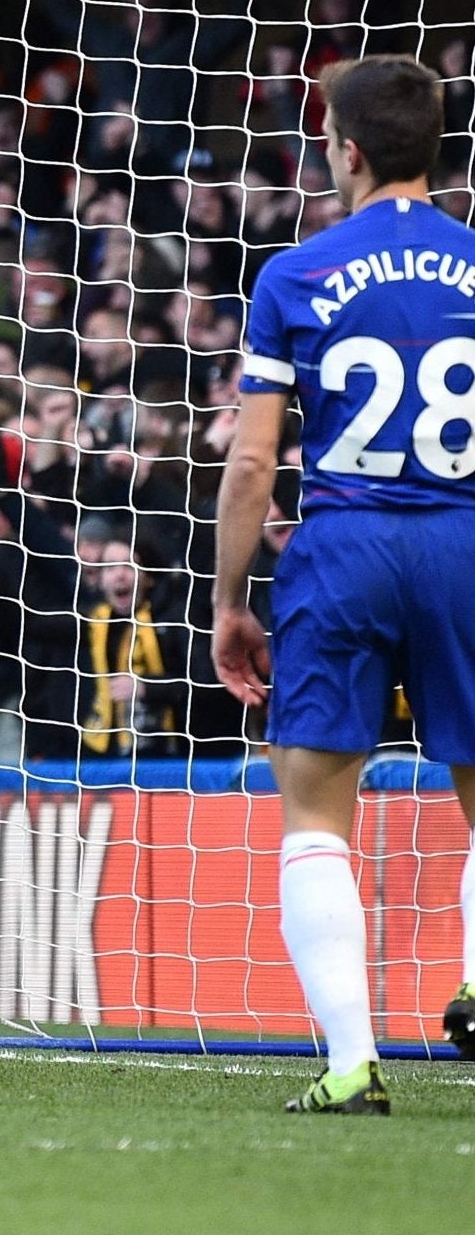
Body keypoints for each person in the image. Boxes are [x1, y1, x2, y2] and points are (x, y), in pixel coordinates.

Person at [213, 55, 475, 1115]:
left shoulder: (297, 274)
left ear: (348, 149)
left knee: (318, 809)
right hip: (465, 537)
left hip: (348, 542)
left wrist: (231, 598)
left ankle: (352, 1062)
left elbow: (250, 462)